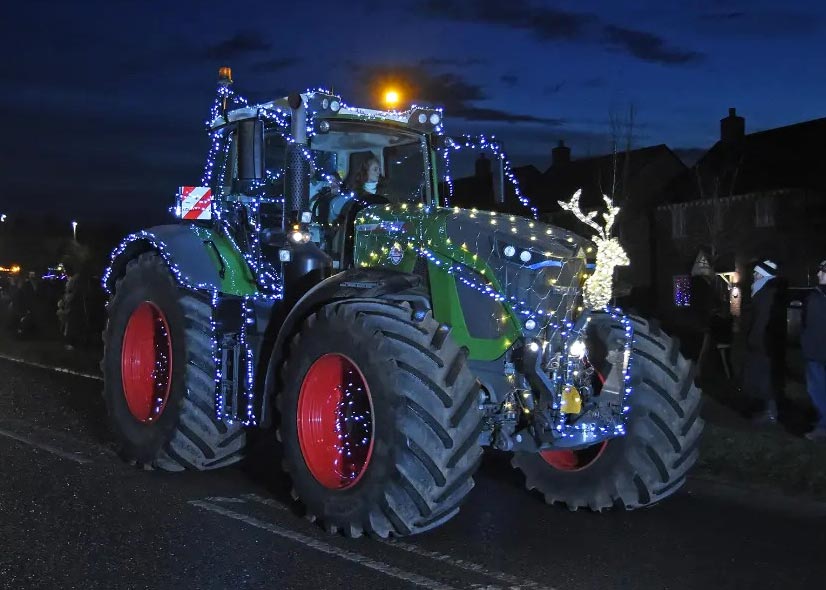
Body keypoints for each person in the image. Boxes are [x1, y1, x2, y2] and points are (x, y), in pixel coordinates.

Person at [742, 259, 787, 425]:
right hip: (764, 344)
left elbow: (762, 322)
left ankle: (770, 413)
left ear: (764, 275)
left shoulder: (766, 294)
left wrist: (755, 340)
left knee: (766, 379)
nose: (754, 275)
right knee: (763, 378)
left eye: (757, 273)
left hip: (763, 344)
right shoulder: (764, 292)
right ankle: (765, 410)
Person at [801, 260, 826, 441]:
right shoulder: (815, 296)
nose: (818, 274)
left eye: (822, 271)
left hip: (817, 354)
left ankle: (823, 427)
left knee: (817, 390)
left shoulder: (817, 297)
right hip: (815, 352)